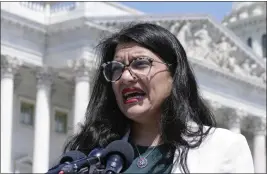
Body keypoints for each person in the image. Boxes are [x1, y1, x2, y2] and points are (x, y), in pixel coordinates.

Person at [63, 23, 254, 173]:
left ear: (174, 75)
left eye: (140, 63)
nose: (126, 77)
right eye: (116, 68)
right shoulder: (90, 155)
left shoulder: (222, 147)